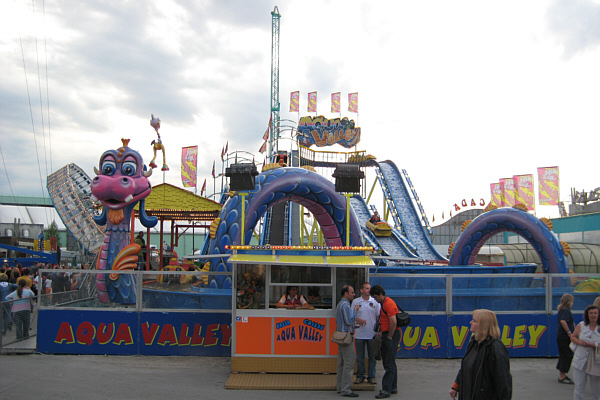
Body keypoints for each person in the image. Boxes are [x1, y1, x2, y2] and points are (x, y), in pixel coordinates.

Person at [449, 309, 512, 400]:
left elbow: (503, 382)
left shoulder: (496, 348)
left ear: (483, 325)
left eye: (474, 321)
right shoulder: (473, 343)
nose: (470, 322)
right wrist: (456, 386)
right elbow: (465, 368)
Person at [370, 284, 402, 399]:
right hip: (389, 334)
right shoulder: (386, 303)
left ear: (380, 294)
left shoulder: (388, 304)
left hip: (391, 335)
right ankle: (393, 387)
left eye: (375, 297)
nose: (375, 300)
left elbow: (393, 322)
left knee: (388, 363)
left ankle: (386, 389)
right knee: (391, 362)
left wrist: (389, 337)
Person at [351, 282, 381, 385]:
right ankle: (360, 376)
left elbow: (379, 316)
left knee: (372, 357)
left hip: (371, 334)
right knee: (360, 357)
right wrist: (358, 319)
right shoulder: (356, 302)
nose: (369, 290)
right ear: (361, 290)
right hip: (359, 333)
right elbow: (351, 316)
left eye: (369, 288)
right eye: (367, 288)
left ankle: (371, 376)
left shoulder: (375, 302)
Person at [570, 305, 600, 400]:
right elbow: (573, 337)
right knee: (579, 388)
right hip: (580, 360)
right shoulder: (581, 325)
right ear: (587, 314)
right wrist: (581, 343)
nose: (593, 315)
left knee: (597, 389)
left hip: (595, 362)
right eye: (591, 313)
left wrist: (593, 345)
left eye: (595, 313)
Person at [335, 285, 359, 397]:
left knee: (341, 364)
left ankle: (340, 387)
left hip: (340, 336)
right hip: (346, 337)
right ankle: (346, 389)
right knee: (349, 364)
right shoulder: (346, 305)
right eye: (352, 292)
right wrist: (355, 311)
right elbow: (349, 321)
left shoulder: (340, 304)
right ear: (346, 293)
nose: (354, 294)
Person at [556, 293, 575, 384]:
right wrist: (569, 333)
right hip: (564, 337)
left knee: (563, 355)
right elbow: (563, 321)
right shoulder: (567, 311)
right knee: (566, 355)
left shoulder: (561, 310)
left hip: (560, 336)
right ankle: (562, 376)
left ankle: (562, 373)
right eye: (572, 301)